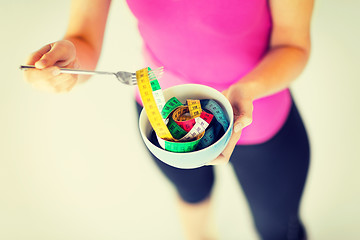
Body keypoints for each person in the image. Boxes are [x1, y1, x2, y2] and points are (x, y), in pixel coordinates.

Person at [23, 0, 314, 239]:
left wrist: (246, 89)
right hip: (161, 118)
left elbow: (293, 45)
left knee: (278, 229)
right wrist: (67, 66)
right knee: (192, 194)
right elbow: (84, 39)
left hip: (259, 111)